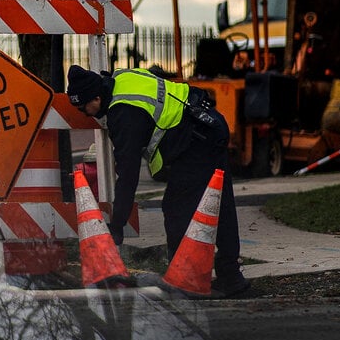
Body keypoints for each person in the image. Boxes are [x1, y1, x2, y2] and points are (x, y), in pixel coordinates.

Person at [66, 64, 250, 297]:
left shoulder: (123, 114)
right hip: (208, 125)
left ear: (97, 97)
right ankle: (231, 277)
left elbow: (128, 175)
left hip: (196, 141)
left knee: (177, 207)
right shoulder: (123, 77)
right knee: (220, 205)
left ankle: (185, 279)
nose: (86, 114)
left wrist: (118, 224)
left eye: (84, 108)